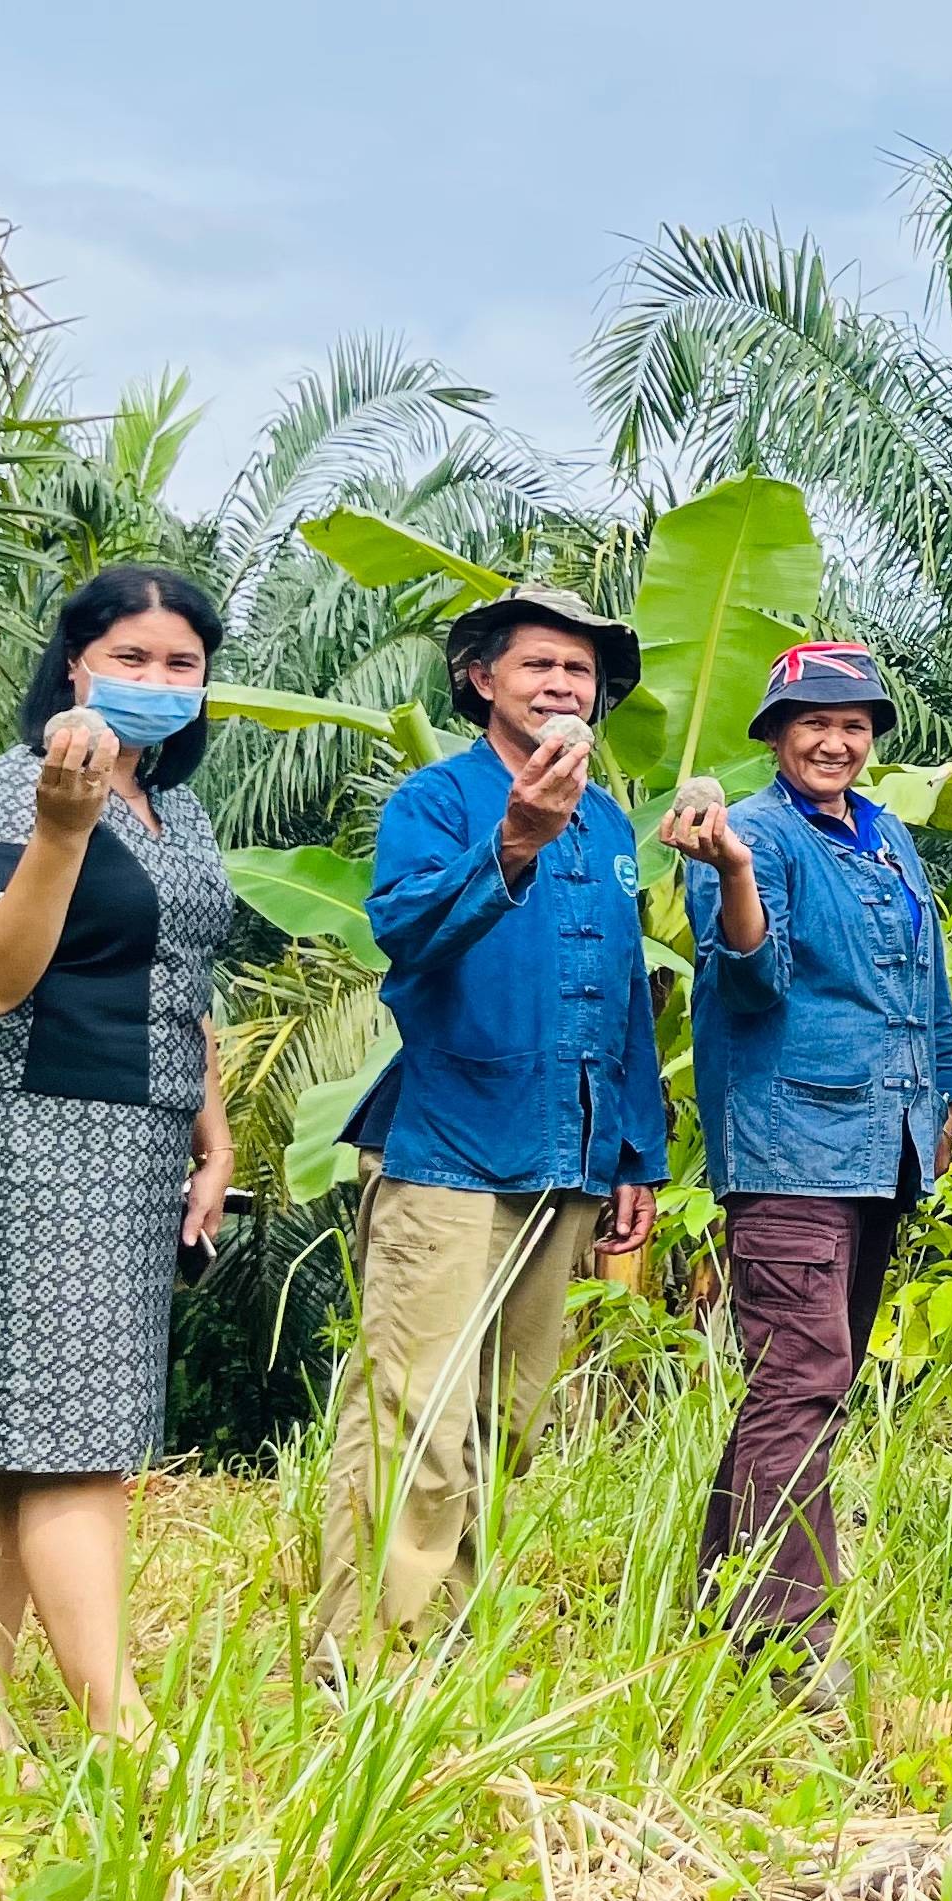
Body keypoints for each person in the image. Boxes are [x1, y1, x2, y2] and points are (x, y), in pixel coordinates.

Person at [317, 585, 668, 1676]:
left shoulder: (610, 825)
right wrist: (513, 842)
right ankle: (365, 1661)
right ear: (482, 678)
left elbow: (623, 999)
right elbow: (405, 936)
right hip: (450, 1146)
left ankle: (449, 1641)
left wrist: (635, 1152)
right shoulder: (437, 800)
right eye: (541, 667)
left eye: (581, 675)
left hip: (567, 1153)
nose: (565, 687)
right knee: (415, 1413)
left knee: (502, 1421)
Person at [0, 567, 240, 1753]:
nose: (159, 682)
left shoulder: (181, 810)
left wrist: (210, 1136)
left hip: (144, 1135)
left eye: (182, 664)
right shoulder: (14, 790)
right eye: (132, 658)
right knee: (76, 1440)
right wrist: (63, 834)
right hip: (33, 1128)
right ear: (75, 665)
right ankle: (126, 1733)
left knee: (14, 1437)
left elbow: (186, 985)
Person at [666, 641, 952, 1695]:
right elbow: (751, 979)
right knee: (804, 1377)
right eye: (813, 721)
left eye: (854, 723)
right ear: (777, 734)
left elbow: (926, 988)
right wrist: (738, 875)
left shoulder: (885, 838)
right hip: (791, 1143)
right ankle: (786, 1642)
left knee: (797, 1386)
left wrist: (944, 1100)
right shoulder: (751, 834)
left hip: (881, 1144)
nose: (835, 739)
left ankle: (722, 1598)